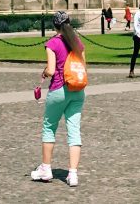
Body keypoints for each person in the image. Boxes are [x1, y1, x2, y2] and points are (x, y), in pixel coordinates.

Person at [31, 11, 85, 188]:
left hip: (59, 89)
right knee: (74, 131)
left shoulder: (53, 43)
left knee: (49, 127)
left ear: (55, 26)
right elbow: (83, 66)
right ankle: (73, 174)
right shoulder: (77, 42)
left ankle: (46, 169)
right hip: (77, 90)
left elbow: (53, 70)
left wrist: (45, 71)